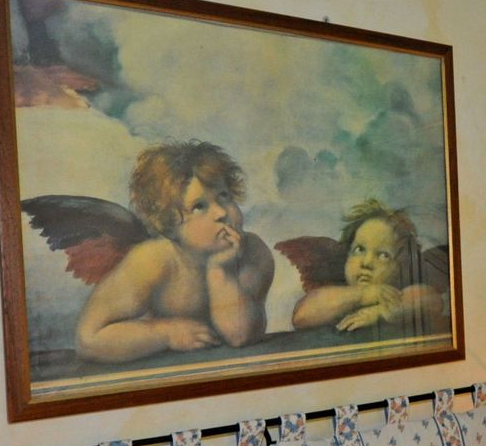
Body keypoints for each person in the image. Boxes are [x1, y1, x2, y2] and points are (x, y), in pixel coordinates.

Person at [73, 141, 273, 361]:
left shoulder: (252, 252)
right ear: (168, 222)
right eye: (199, 206)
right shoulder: (153, 260)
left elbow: (240, 336)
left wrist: (219, 270)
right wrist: (166, 334)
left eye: (224, 196)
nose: (220, 213)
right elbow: (89, 339)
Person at [289, 199, 446, 333]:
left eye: (383, 255)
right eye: (359, 250)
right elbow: (301, 316)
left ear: (403, 267)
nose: (366, 263)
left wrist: (381, 312)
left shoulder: (399, 292)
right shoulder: (339, 294)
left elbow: (432, 300)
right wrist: (363, 295)